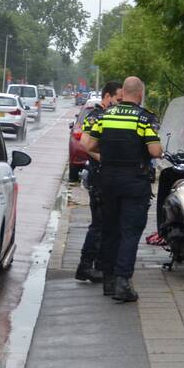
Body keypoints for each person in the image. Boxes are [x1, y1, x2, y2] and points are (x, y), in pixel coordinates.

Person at [83, 76, 162, 303]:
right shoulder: (144, 119)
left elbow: (88, 145)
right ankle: (122, 282)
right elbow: (155, 151)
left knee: (109, 229)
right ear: (140, 94)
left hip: (107, 180)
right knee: (130, 231)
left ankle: (108, 280)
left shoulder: (105, 116)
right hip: (135, 182)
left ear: (123, 93)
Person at [74, 80, 123, 283]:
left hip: (106, 177)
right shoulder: (95, 116)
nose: (120, 103)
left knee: (106, 223)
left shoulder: (109, 115)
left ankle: (100, 265)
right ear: (107, 97)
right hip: (99, 176)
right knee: (99, 223)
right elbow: (85, 144)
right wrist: (105, 159)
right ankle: (85, 266)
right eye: (118, 99)